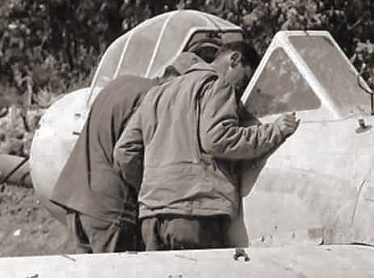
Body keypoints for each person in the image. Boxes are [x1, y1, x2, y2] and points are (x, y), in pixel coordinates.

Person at [114, 39, 299, 252]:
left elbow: (124, 151)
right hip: (194, 215)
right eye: (245, 78)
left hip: (151, 220)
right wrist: (274, 131)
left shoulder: (156, 94)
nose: (242, 89)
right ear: (235, 59)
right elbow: (217, 139)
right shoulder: (218, 85)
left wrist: (153, 188)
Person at [48, 49, 204, 254]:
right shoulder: (151, 98)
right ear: (181, 82)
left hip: (76, 200)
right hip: (110, 208)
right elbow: (126, 154)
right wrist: (146, 191)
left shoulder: (123, 83)